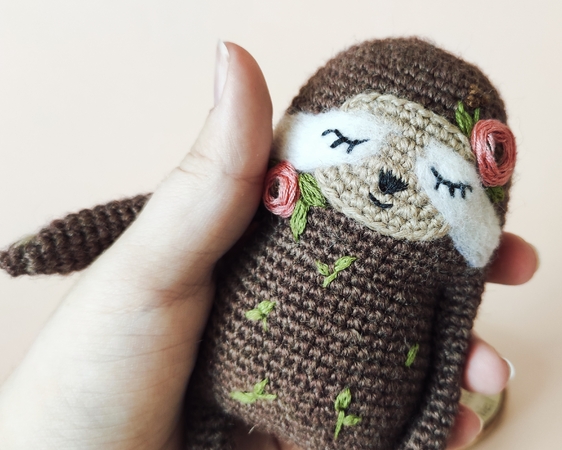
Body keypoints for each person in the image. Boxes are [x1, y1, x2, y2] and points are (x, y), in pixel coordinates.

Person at [0, 42, 538, 450]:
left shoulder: (453, 264)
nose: (390, 183)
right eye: (349, 143)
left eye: (440, 182)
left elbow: (449, 343)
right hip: (205, 390)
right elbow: (151, 222)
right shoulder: (266, 196)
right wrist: (54, 245)